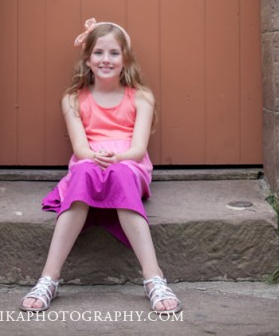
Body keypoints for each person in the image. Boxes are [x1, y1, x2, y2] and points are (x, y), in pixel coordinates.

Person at [20, 19, 182, 314]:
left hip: (129, 165)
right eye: (98, 53)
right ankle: (48, 279)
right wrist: (96, 157)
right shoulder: (73, 99)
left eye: (114, 53)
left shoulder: (141, 96)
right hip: (89, 161)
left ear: (126, 59)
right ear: (87, 59)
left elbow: (138, 149)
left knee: (119, 174)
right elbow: (80, 148)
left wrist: (115, 158)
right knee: (83, 171)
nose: (105, 60)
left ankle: (153, 278)